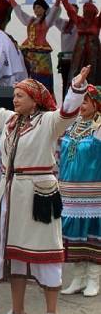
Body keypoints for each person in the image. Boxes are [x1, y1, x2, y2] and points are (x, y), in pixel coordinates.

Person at [0, 64, 91, 314]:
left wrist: (77, 86)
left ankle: (51, 313)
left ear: (34, 101)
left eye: (20, 95)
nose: (15, 99)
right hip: (14, 192)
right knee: (16, 254)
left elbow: (68, 112)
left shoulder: (48, 121)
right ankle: (18, 311)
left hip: (40, 192)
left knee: (46, 252)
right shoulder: (9, 120)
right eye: (15, 95)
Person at [58, 84, 101, 297]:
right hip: (70, 189)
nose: (81, 105)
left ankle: (94, 278)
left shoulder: (99, 126)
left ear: (96, 103)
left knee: (93, 233)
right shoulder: (69, 125)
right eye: (80, 101)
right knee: (73, 234)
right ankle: (78, 277)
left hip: (93, 189)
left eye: (86, 101)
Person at [8, 0, 58, 94]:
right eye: (34, 7)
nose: (36, 10)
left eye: (39, 7)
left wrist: (58, 0)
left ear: (44, 10)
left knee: (42, 77)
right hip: (28, 53)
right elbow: (19, 12)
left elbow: (53, 12)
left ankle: (44, 99)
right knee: (27, 77)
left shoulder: (46, 21)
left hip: (41, 55)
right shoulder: (30, 20)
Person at [59, 0, 100, 86]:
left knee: (93, 71)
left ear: (94, 13)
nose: (87, 13)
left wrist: (90, 0)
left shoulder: (97, 21)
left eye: (89, 12)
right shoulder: (79, 20)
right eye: (85, 11)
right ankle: (76, 90)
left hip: (93, 50)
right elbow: (70, 10)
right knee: (77, 70)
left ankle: (93, 93)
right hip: (79, 50)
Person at [50, 0, 78, 86]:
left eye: (73, 10)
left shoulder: (80, 23)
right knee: (65, 83)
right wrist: (44, 2)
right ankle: (65, 100)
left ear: (76, 12)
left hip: (76, 59)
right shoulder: (63, 23)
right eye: (70, 10)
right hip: (64, 59)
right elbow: (52, 16)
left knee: (76, 83)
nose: (71, 12)